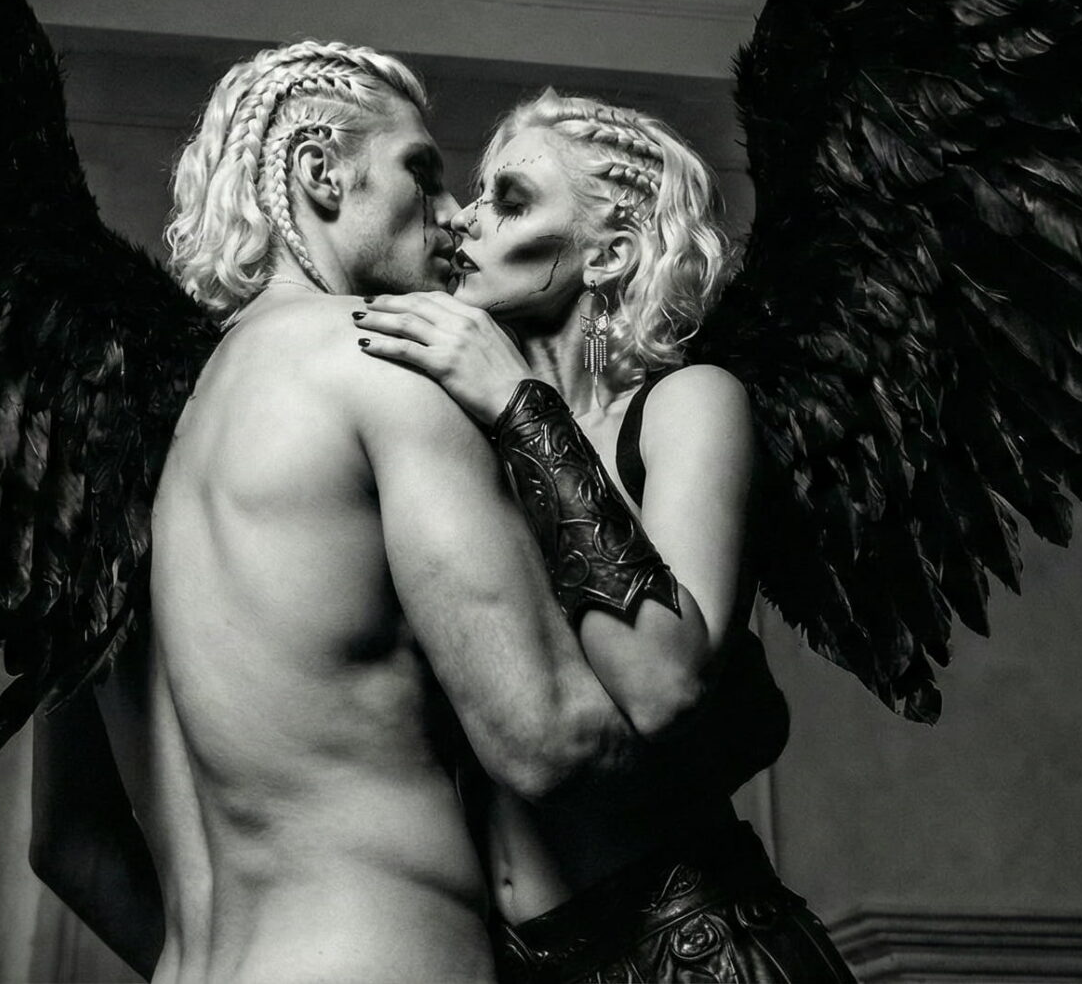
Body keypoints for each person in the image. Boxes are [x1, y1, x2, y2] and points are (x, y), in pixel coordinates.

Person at [30, 42, 712, 982]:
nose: (452, 211)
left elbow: (68, 844)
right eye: (422, 171)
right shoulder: (382, 367)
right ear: (320, 171)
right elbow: (550, 739)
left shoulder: (118, 442)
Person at [354, 90, 857, 982]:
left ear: (610, 252)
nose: (465, 218)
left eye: (511, 200)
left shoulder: (689, 403)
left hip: (698, 953)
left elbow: (662, 683)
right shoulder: (447, 447)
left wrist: (520, 403)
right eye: (478, 193)